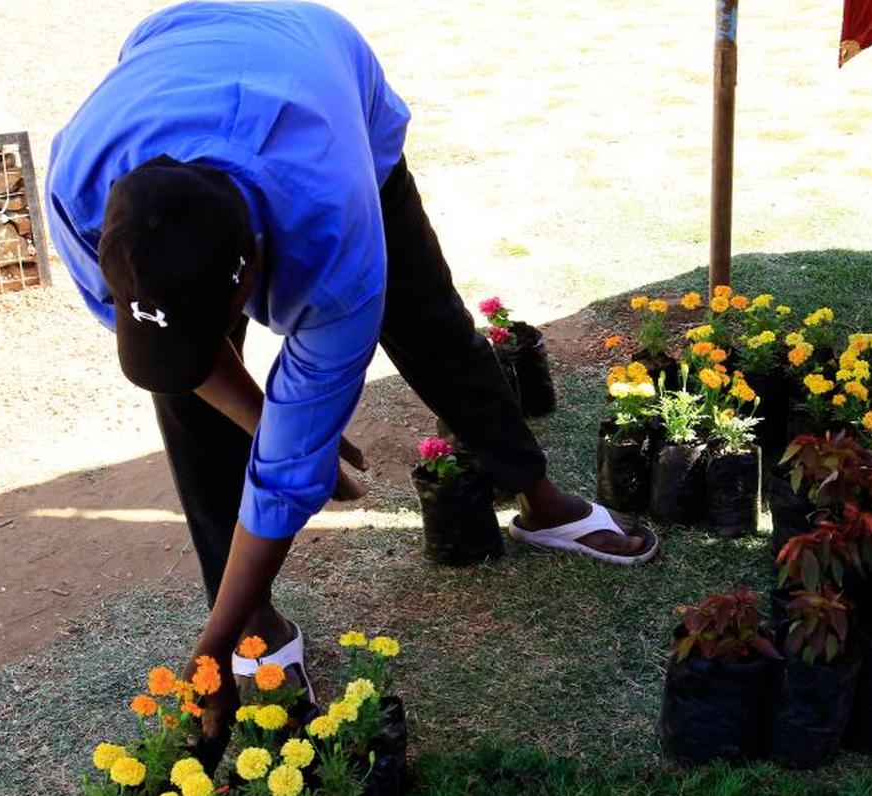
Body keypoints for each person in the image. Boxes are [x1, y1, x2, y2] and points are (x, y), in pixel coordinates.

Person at [47, 0, 659, 752]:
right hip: (183, 43)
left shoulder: (332, 236)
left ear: (256, 274)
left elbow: (286, 480)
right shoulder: (82, 196)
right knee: (189, 406)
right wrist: (275, 428)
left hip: (321, 70)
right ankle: (252, 618)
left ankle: (538, 494)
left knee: (429, 321)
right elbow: (184, 362)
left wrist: (299, 449)